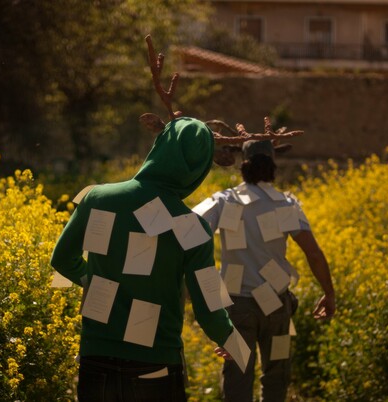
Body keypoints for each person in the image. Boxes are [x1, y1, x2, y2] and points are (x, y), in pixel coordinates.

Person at [50, 117, 243, 402]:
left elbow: (62, 259)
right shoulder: (193, 227)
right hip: (157, 365)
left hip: (96, 356)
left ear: (159, 147)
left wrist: (99, 286)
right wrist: (235, 343)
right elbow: (207, 306)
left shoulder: (98, 198)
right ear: (199, 169)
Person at [194, 139, 335, 402]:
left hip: (237, 309)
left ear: (243, 167)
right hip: (276, 309)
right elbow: (313, 253)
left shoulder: (223, 200)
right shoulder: (286, 204)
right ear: (272, 166)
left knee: (237, 378)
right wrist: (329, 292)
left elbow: (190, 230)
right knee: (277, 376)